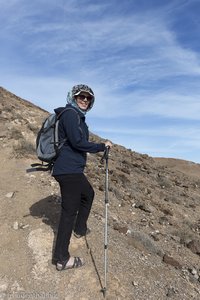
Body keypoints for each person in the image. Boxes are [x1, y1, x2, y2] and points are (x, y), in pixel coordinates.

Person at [52, 84, 112, 271]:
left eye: (88, 98)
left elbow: (77, 142)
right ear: (73, 97)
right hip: (68, 170)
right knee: (68, 212)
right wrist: (101, 146)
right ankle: (61, 258)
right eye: (81, 96)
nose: (85, 100)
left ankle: (79, 229)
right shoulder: (70, 114)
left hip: (73, 170)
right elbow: (78, 143)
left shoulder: (77, 116)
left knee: (88, 194)